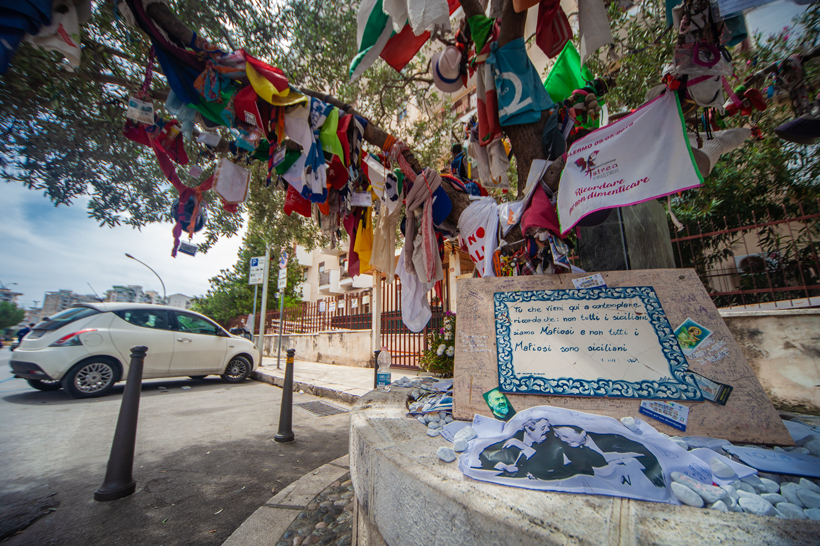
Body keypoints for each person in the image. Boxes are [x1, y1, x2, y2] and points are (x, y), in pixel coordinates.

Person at [552, 425, 665, 488]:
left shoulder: (614, 441)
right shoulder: (565, 447)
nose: (561, 439)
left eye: (565, 436)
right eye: (557, 436)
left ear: (583, 434)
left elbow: (648, 455)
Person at [478, 411, 567, 480]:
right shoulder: (514, 437)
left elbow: (550, 466)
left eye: (548, 428)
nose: (547, 431)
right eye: (543, 428)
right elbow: (485, 454)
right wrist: (502, 466)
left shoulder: (550, 442)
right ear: (528, 430)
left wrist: (523, 447)